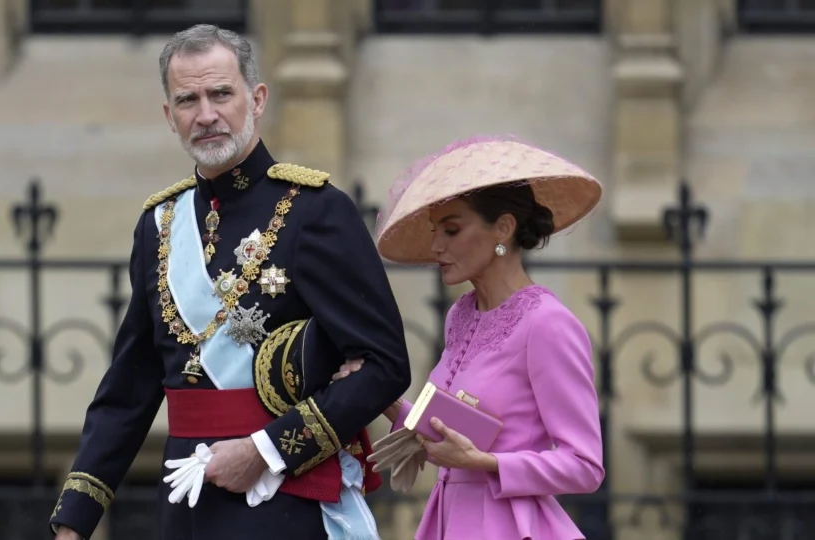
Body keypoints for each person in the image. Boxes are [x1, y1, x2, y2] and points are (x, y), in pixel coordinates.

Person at [49, 24, 411, 540]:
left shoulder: (316, 211)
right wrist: (74, 520)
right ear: (169, 116)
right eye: (187, 100)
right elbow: (131, 386)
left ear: (256, 99)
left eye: (221, 93)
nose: (206, 115)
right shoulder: (160, 224)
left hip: (284, 501)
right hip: (187, 508)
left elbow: (385, 365)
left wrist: (264, 450)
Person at [334, 135, 605, 539]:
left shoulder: (548, 324)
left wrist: (488, 464)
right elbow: (453, 428)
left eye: (452, 229)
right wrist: (387, 403)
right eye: (434, 230)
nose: (435, 245)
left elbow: (585, 466)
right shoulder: (461, 315)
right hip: (448, 519)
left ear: (504, 228)